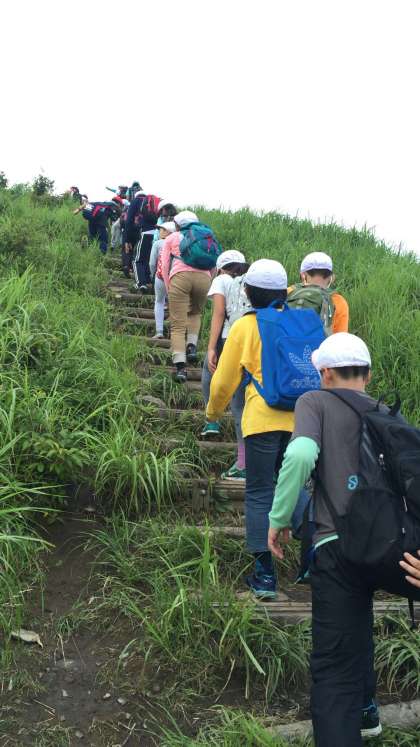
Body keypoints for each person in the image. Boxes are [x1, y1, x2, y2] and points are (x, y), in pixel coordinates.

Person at [267, 332, 420, 746]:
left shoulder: (314, 401)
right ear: (367, 375)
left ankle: (349, 721)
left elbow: (300, 455)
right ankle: (367, 711)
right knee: (360, 622)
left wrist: (279, 518)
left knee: (335, 665)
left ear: (325, 374)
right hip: (392, 548)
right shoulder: (389, 414)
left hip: (336, 547)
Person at [206, 259, 309, 597]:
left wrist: (213, 412)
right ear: (284, 292)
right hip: (302, 420)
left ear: (248, 292)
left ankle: (264, 576)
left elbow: (224, 381)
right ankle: (315, 556)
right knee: (292, 484)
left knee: (260, 491)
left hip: (262, 422)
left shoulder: (246, 326)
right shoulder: (300, 323)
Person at [201, 250, 250, 482]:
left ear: (220, 268)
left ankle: (212, 421)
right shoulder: (251, 281)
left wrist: (212, 347)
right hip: (253, 340)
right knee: (241, 402)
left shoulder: (221, 280)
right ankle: (244, 460)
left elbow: (219, 314)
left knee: (208, 371)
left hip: (229, 339)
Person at [160, 211, 213, 383]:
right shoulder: (205, 236)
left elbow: (164, 264)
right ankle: (191, 346)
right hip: (204, 278)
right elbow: (213, 262)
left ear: (177, 224)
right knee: (195, 313)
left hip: (179, 278)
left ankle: (181, 368)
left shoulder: (172, 237)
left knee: (177, 325)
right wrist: (209, 281)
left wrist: (168, 286)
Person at [288, 251, 349, 333]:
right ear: (332, 278)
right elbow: (340, 336)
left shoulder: (288, 292)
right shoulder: (339, 301)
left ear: (303, 275)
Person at [149, 220, 176, 339]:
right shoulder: (179, 243)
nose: (159, 231)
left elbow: (152, 263)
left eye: (161, 229)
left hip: (160, 276)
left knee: (159, 302)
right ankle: (176, 333)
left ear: (167, 231)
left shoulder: (158, 243)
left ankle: (159, 331)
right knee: (176, 304)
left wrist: (152, 274)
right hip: (176, 277)